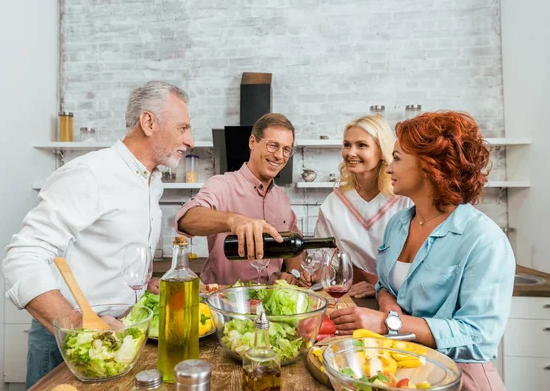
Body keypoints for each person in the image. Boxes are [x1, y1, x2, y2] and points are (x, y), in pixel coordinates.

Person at [2, 80, 194, 388]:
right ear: (148, 122)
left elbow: (106, 253)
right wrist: (79, 325)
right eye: (183, 128)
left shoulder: (151, 181)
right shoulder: (89, 174)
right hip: (67, 342)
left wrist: (142, 286)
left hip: (119, 331)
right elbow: (22, 257)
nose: (191, 140)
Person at [330, 111, 514, 390]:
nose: (389, 167)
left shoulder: (483, 239)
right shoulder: (399, 224)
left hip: (462, 377)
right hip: (408, 370)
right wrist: (387, 302)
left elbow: (478, 336)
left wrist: (386, 323)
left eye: (398, 158)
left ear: (430, 167)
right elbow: (386, 285)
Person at [176, 113, 308, 286]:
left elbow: (293, 246)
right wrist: (233, 220)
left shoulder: (282, 199)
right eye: (273, 145)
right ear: (252, 142)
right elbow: (186, 220)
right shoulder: (221, 185)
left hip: (270, 303)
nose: (279, 155)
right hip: (225, 304)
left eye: (286, 149)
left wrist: (292, 272)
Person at [313, 115, 411, 297]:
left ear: (382, 151)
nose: (350, 153)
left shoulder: (404, 199)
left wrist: (379, 288)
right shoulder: (333, 203)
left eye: (362, 145)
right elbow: (322, 261)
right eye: (347, 144)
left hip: (398, 299)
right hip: (349, 296)